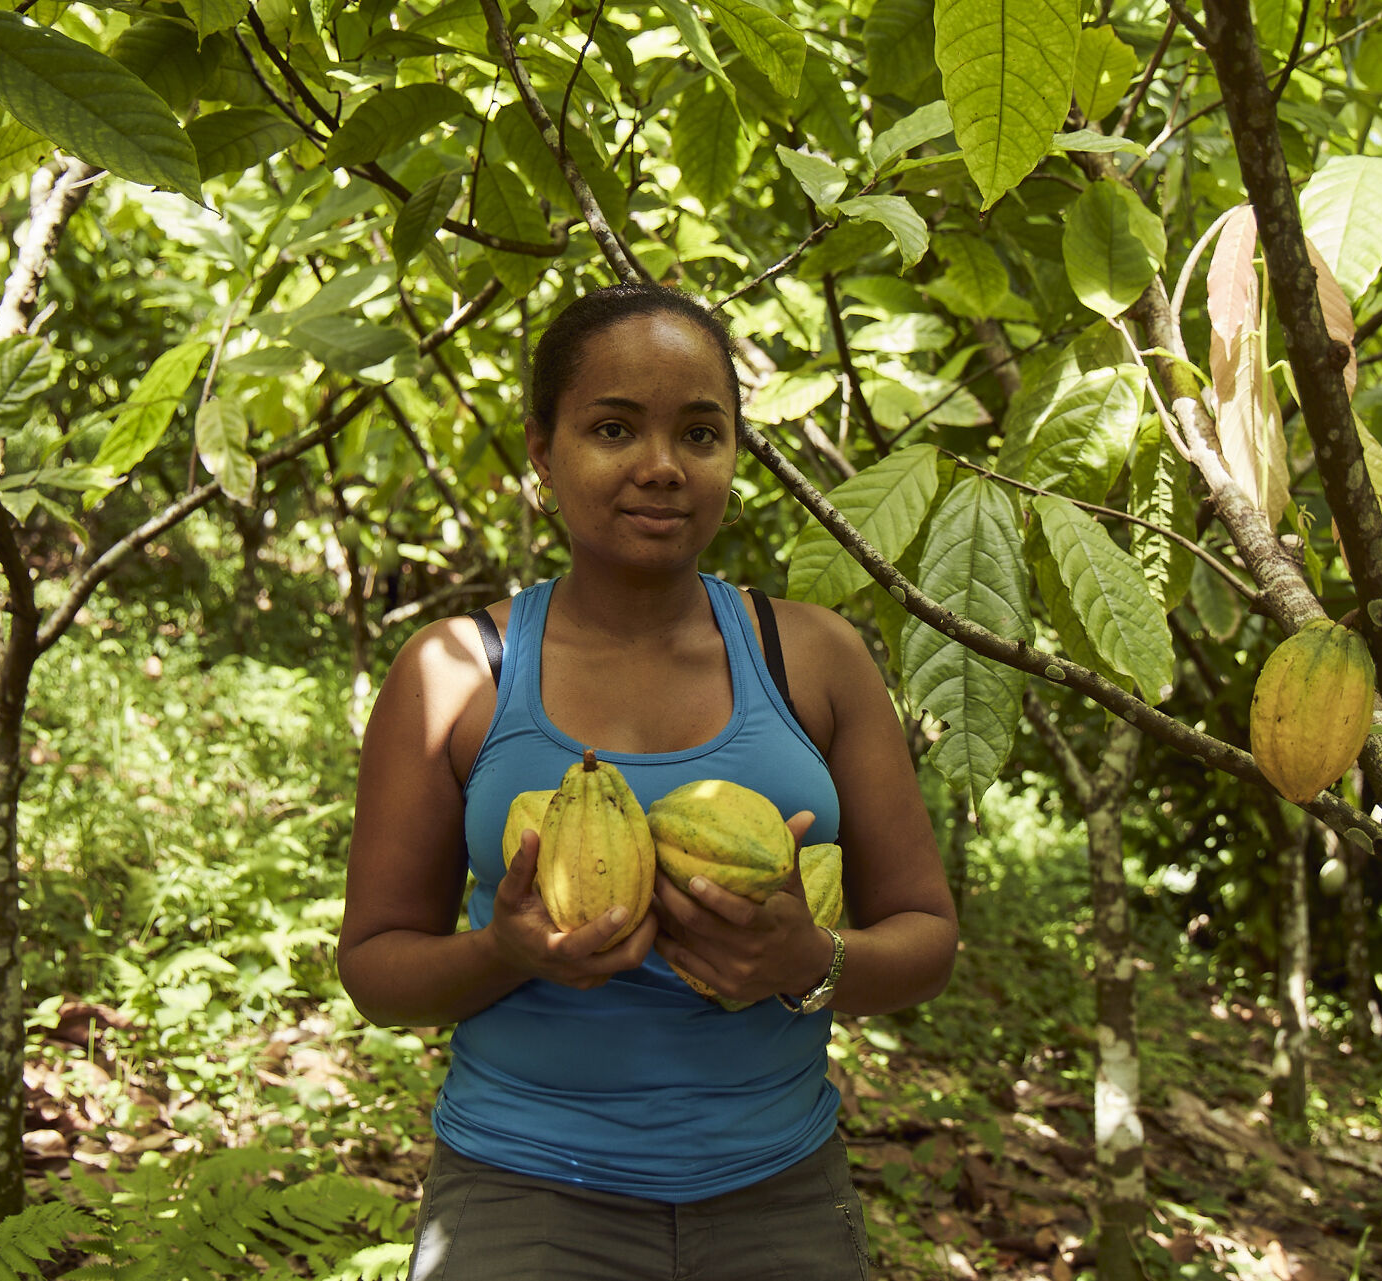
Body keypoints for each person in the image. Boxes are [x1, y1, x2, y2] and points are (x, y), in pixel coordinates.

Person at [337, 282, 958, 1280]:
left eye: (701, 434)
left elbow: (926, 938)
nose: (661, 468)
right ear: (542, 449)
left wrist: (808, 958)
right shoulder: (457, 674)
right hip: (522, 1195)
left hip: (778, 1195)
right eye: (614, 428)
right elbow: (374, 968)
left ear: (735, 455)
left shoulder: (817, 658)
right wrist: (507, 951)